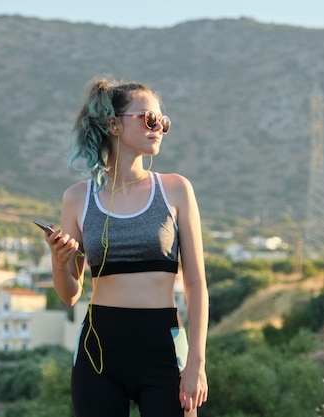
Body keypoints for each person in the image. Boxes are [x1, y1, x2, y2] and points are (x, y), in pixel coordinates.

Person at [43, 76, 209, 417]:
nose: (158, 127)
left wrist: (196, 364)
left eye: (163, 121)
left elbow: (196, 284)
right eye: (148, 118)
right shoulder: (77, 198)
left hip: (163, 345)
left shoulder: (176, 190)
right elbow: (69, 295)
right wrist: (60, 262)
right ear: (114, 125)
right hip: (98, 349)